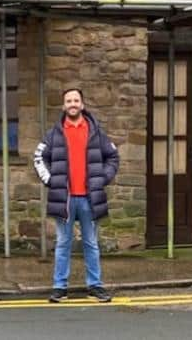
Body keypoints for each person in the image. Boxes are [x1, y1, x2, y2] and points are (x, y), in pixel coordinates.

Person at [34, 88, 119, 303]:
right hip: (66, 199)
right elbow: (38, 158)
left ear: (82, 104)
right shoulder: (53, 134)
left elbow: (113, 157)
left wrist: (102, 178)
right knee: (63, 243)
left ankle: (95, 285)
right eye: (68, 101)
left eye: (76, 100)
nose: (72, 104)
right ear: (64, 106)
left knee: (91, 243)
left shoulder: (95, 132)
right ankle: (59, 287)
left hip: (90, 198)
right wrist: (51, 181)